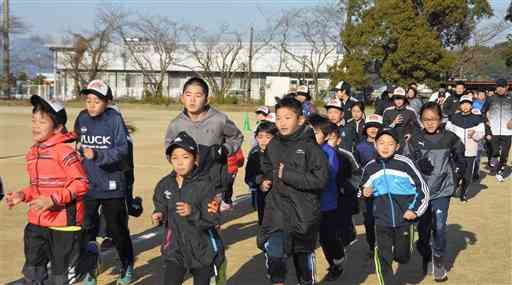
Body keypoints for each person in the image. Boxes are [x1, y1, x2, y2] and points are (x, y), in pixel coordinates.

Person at [5, 95, 89, 285]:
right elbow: (37, 188)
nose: (35, 125)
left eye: (42, 121)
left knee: (60, 278)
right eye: (33, 120)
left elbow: (81, 183)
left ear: (58, 127)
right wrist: (22, 195)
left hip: (63, 224)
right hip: (36, 221)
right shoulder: (33, 153)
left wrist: (53, 200)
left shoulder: (64, 152)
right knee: (32, 271)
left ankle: (88, 256)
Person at [258, 97, 329, 285]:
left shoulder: (311, 148)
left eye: (287, 118)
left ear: (300, 120)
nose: (282, 122)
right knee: (274, 252)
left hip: (303, 213)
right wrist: (264, 180)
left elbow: (320, 180)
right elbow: (265, 166)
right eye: (279, 118)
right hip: (277, 210)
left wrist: (288, 175)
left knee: (303, 262)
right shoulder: (273, 144)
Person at [74, 80, 134, 285]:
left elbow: (122, 150)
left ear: (107, 102)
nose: (91, 104)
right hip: (87, 186)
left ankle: (126, 264)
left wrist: (97, 154)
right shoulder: (82, 117)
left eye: (96, 100)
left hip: (111, 185)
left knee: (116, 231)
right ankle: (91, 268)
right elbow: (76, 141)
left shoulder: (114, 119)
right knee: (86, 230)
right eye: (88, 100)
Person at [404, 102, 465, 282]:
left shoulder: (450, 138)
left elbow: (460, 159)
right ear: (421, 120)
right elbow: (405, 161)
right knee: (422, 230)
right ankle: (426, 253)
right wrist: (417, 163)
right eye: (426, 120)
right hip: (421, 192)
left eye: (434, 119)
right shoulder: (414, 139)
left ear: (440, 119)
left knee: (439, 227)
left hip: (442, 191)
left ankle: (438, 261)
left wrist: (457, 175)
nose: (430, 123)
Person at [153, 131, 224, 285]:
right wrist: (159, 214)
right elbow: (160, 204)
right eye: (175, 158)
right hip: (174, 249)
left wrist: (192, 212)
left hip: (202, 249)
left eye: (185, 157)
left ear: (196, 159)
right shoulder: (164, 184)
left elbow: (213, 219)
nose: (180, 162)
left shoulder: (206, 186)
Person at [361, 127, 429, 285]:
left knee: (402, 256)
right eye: (381, 143)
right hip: (381, 220)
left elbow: (423, 189)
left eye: (390, 143)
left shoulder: (405, 164)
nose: (385, 147)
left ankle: (403, 253)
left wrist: (414, 210)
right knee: (383, 256)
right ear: (375, 145)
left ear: (397, 146)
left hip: (403, 219)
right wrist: (364, 191)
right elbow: (361, 189)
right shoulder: (370, 167)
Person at [164, 77, 244, 203]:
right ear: (182, 98)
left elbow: (237, 137)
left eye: (198, 95)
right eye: (188, 95)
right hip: (186, 181)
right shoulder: (176, 124)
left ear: (207, 99)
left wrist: (225, 149)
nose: (192, 100)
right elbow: (169, 146)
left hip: (213, 181)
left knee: (209, 220)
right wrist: (175, 160)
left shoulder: (220, 119)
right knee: (186, 217)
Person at [308, 114, 346, 282]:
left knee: (327, 237)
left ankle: (336, 260)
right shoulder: (302, 149)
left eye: (316, 133)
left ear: (326, 135)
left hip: (326, 204)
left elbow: (327, 177)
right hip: (307, 205)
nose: (312, 136)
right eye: (310, 132)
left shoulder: (329, 153)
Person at [445, 95, 485, 202]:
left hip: (470, 151)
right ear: (460, 105)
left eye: (468, 103)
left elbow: (482, 133)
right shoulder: (454, 117)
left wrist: (474, 134)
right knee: (456, 173)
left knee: (468, 175)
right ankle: (454, 188)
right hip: (456, 152)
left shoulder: (477, 118)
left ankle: (463, 194)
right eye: (463, 104)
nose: (465, 106)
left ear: (471, 105)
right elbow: (447, 132)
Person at [354, 114, 383, 255]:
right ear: (365, 129)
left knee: (384, 218)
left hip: (385, 188)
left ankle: (385, 244)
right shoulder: (360, 147)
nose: (373, 130)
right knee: (369, 220)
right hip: (367, 189)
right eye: (370, 127)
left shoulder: (386, 144)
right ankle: (372, 246)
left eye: (377, 127)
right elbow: (356, 168)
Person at [245, 121, 277, 224]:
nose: (263, 140)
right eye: (260, 137)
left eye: (268, 137)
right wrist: (260, 181)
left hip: (281, 200)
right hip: (262, 199)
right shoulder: (254, 155)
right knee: (265, 225)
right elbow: (248, 178)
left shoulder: (282, 154)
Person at [486, 78, 512, 182]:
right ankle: (494, 157)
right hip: (494, 130)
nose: (500, 89)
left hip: (508, 131)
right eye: (498, 87)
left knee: (505, 153)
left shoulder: (511, 98)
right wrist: (486, 119)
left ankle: (500, 171)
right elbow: (483, 112)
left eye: (502, 86)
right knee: (495, 151)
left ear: (507, 87)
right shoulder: (490, 99)